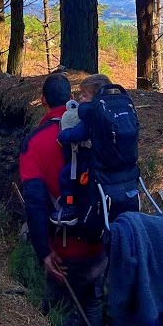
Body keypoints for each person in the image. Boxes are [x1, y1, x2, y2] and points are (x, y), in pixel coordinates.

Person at [19, 72, 107, 326]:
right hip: (98, 243)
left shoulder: (36, 142)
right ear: (69, 97)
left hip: (63, 249)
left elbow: (35, 203)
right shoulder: (98, 131)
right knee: (93, 301)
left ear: (43, 101)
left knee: (65, 308)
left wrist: (44, 252)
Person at [50, 73, 112, 227]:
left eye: (84, 95)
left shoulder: (91, 116)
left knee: (66, 175)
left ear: (96, 97)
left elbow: (78, 133)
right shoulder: (111, 113)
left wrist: (63, 136)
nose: (81, 99)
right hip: (108, 162)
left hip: (90, 162)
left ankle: (70, 207)